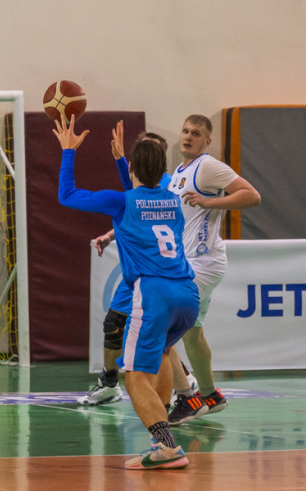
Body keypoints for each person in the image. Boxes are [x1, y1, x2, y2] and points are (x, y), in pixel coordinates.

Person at [55, 117, 199, 470]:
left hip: (153, 295)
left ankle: (167, 447)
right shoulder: (173, 200)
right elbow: (142, 196)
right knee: (164, 354)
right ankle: (159, 441)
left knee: (134, 376)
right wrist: (124, 162)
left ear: (134, 167)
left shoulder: (121, 202)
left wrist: (69, 151)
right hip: (187, 294)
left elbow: (67, 195)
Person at [165, 114, 261, 427]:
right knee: (192, 333)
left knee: (160, 327)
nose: (188, 136)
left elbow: (251, 195)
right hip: (193, 262)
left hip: (201, 263)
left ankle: (187, 399)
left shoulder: (208, 166)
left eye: (196, 133)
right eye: (185, 131)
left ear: (207, 141)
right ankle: (210, 395)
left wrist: (209, 202)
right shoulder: (179, 172)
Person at [79, 124, 175, 407]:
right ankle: (109, 383)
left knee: (163, 336)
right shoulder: (136, 184)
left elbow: (146, 213)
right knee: (114, 324)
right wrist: (110, 235)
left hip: (160, 270)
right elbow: (133, 210)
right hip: (137, 271)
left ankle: (182, 384)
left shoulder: (168, 185)